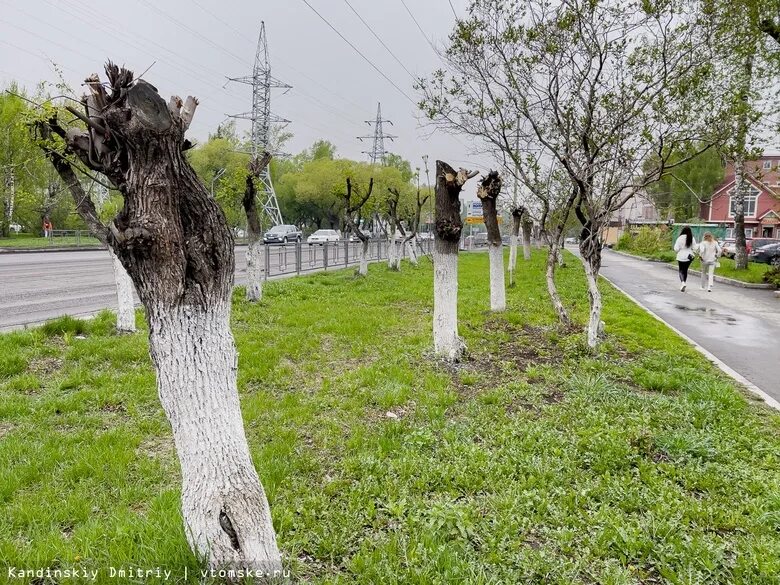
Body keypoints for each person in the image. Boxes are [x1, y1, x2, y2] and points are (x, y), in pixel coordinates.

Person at [673, 226, 696, 292]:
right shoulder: (692, 238)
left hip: (681, 256)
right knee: (685, 270)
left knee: (681, 270)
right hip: (689, 256)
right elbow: (695, 248)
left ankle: (683, 283)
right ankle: (684, 283)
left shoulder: (680, 238)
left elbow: (676, 248)